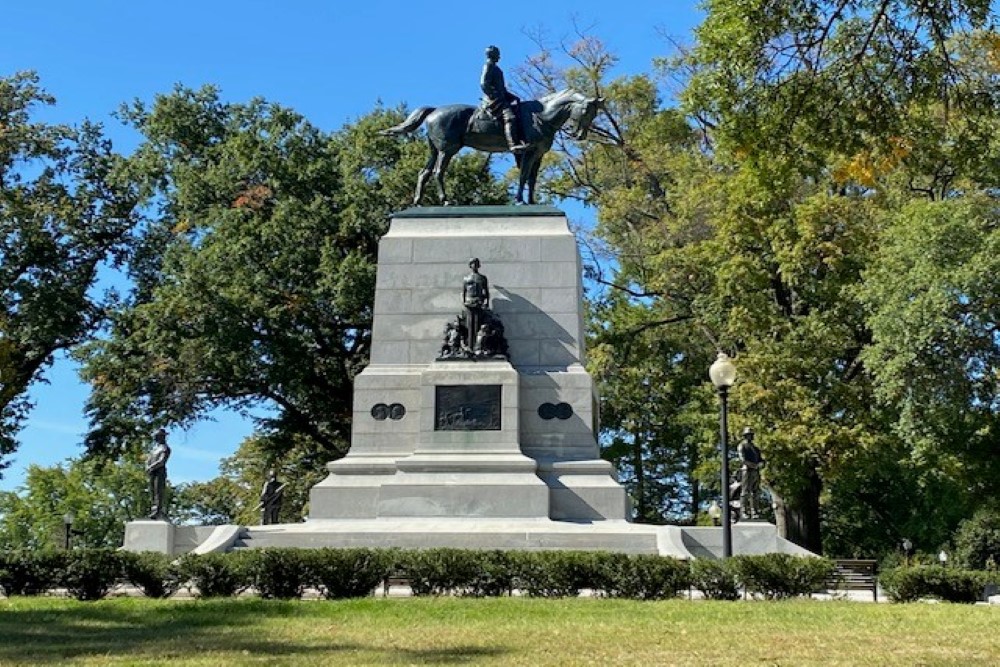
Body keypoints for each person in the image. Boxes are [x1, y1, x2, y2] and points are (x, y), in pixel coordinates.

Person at [481, 45, 529, 154]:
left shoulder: (496, 68)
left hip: (501, 98)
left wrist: (512, 97)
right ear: (493, 55)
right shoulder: (488, 66)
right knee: (510, 117)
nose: (499, 57)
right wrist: (495, 97)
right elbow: (484, 84)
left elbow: (502, 89)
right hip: (494, 100)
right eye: (498, 54)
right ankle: (513, 145)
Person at [462, 258, 490, 352]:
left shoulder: (482, 278)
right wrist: (464, 302)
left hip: (478, 302)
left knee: (478, 324)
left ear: (479, 265)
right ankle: (470, 346)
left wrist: (487, 302)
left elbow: (486, 291)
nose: (474, 265)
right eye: (473, 263)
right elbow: (464, 291)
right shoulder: (466, 278)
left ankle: (478, 346)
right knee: (470, 325)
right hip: (469, 302)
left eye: (476, 263)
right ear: (470, 265)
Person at [738, 426, 765, 520]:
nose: (751, 436)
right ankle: (744, 512)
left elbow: (761, 459)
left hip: (756, 471)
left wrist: (761, 464)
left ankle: (755, 512)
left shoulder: (755, 448)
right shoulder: (742, 446)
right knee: (745, 492)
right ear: (745, 436)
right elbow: (742, 459)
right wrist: (754, 465)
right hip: (746, 470)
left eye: (751, 435)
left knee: (755, 492)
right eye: (749, 435)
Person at [145, 428, 171, 520]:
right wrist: (147, 466)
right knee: (151, 491)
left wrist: (151, 466)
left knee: (158, 491)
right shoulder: (154, 449)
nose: (155, 438)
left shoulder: (165, 448)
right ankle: (153, 509)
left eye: (157, 436)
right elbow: (149, 459)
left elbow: (162, 461)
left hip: (159, 472)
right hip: (152, 472)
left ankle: (158, 510)